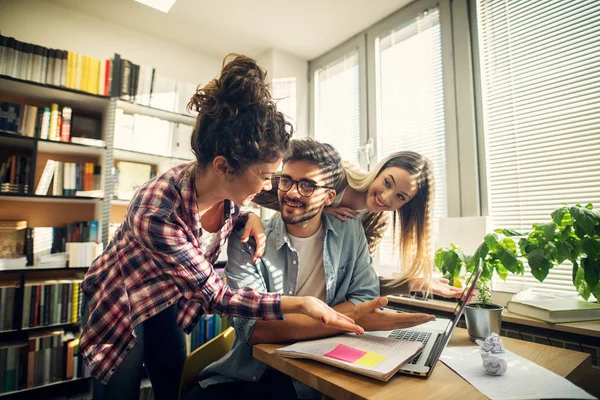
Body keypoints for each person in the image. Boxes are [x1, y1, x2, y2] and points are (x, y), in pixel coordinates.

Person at [79, 55, 362, 400]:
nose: (269, 188)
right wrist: (300, 304)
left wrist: (248, 217)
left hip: (164, 298)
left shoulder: (226, 192)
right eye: (265, 176)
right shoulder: (157, 211)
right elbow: (217, 295)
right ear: (224, 167)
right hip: (121, 300)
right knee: (117, 394)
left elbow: (240, 215)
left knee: (172, 385)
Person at [184, 139, 435, 400]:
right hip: (249, 375)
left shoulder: (352, 231)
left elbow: (365, 300)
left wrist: (405, 286)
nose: (292, 192)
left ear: (330, 196)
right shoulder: (248, 237)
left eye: (308, 186)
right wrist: (353, 319)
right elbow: (255, 329)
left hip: (316, 379)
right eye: (286, 181)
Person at [254, 150, 463, 299]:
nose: (386, 198)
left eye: (400, 197)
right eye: (387, 183)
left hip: (317, 296)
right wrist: (319, 208)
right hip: (277, 269)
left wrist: (413, 283)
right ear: (379, 171)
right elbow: (263, 189)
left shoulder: (377, 222)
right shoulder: (340, 176)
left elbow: (360, 281)